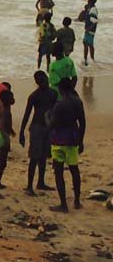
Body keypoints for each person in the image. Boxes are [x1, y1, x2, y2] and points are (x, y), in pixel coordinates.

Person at [49, 79, 85, 213]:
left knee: (59, 172)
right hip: (73, 138)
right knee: (74, 170)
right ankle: (76, 201)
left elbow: (52, 125)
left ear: (60, 90)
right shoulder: (78, 102)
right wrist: (81, 141)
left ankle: (63, 204)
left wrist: (48, 117)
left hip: (59, 140)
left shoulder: (59, 104)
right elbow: (82, 123)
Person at [19, 71, 57, 196]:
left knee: (43, 156)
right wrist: (21, 132)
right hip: (36, 127)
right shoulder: (34, 96)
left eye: (44, 79)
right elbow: (27, 114)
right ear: (37, 82)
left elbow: (56, 112)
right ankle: (29, 185)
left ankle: (40, 182)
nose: (43, 82)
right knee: (34, 157)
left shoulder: (53, 93)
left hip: (48, 128)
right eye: (41, 81)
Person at [0, 89, 15, 199]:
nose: (13, 99)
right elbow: (3, 126)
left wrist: (11, 130)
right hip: (3, 136)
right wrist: (6, 139)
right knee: (2, 163)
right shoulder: (6, 111)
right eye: (12, 98)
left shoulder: (1, 108)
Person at [82, 0, 98, 66]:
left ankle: (89, 59)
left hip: (90, 30)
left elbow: (94, 21)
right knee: (87, 44)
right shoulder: (91, 8)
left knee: (88, 44)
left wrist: (89, 28)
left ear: (90, 1)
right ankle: (89, 59)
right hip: (89, 29)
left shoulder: (93, 10)